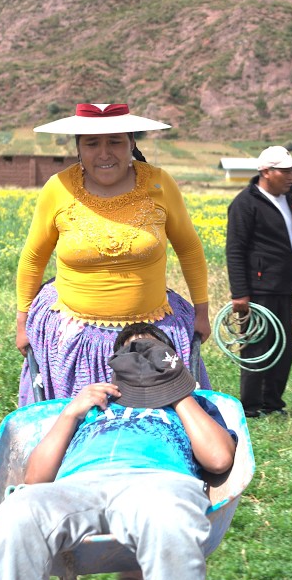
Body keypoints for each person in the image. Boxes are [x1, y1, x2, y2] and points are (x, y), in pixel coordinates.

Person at [0, 338, 237, 580]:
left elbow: (218, 459)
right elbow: (35, 479)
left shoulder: (193, 405)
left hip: (157, 484)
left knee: (173, 520)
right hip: (78, 485)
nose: (143, 362)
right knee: (14, 515)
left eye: (153, 356)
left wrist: (177, 394)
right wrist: (71, 413)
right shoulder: (91, 405)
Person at [15, 103, 211, 406]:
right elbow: (33, 257)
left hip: (150, 337)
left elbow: (189, 248)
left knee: (157, 431)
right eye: (92, 143)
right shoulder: (58, 188)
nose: (104, 153)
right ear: (79, 148)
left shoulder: (160, 184)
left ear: (132, 143)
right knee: (76, 430)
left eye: (115, 141)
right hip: (73, 340)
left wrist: (201, 311)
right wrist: (22, 322)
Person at [224, 145, 292, 418]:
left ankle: (274, 403)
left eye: (291, 170)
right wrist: (240, 293)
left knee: (282, 349)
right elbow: (235, 249)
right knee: (256, 348)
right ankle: (251, 407)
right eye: (285, 171)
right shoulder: (245, 203)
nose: (290, 176)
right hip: (257, 290)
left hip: (283, 288)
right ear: (266, 172)